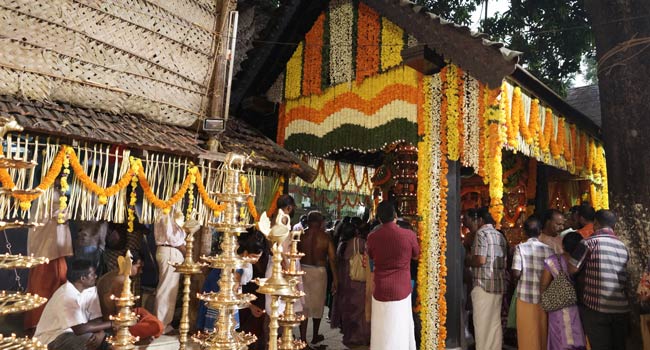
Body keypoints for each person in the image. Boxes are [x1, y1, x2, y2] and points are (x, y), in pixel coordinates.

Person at [569, 210, 630, 350]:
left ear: (595, 224)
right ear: (613, 226)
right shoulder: (623, 246)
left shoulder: (589, 243)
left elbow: (572, 269)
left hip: (596, 307)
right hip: (621, 308)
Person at [366, 201, 419, 350]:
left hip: (381, 289)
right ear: (396, 215)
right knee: (400, 327)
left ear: (379, 218)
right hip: (402, 288)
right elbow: (416, 255)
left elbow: (371, 255)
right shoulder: (409, 235)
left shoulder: (372, 237)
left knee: (381, 329)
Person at [24, 189, 73, 332]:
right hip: (48, 250)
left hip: (50, 249)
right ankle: (40, 322)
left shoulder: (47, 192)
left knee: (53, 284)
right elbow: (61, 216)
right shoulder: (49, 193)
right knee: (44, 287)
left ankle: (49, 321)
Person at [34, 260, 112, 350]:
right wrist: (112, 323)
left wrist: (100, 334)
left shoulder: (91, 289)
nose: (96, 276)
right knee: (88, 341)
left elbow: (97, 319)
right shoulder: (65, 295)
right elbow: (79, 329)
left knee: (108, 340)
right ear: (83, 278)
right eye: (92, 274)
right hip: (53, 338)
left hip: (79, 332)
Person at [196, 229, 265, 331]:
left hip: (223, 296)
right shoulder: (236, 266)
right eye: (254, 257)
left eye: (259, 257)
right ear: (245, 253)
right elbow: (234, 292)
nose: (256, 260)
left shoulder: (240, 262)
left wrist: (250, 307)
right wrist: (250, 306)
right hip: (219, 297)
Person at [96, 250, 163, 344]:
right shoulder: (122, 281)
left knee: (141, 311)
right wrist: (136, 321)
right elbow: (121, 315)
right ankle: (136, 339)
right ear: (129, 264)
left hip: (107, 320)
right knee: (157, 326)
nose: (141, 271)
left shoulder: (107, 276)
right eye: (139, 267)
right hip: (116, 327)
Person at [465, 207, 506, 350]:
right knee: (494, 324)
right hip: (498, 285)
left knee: (482, 324)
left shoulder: (481, 234)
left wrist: (467, 260)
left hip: (483, 284)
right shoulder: (499, 235)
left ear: (480, 220)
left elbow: (480, 260)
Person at [511, 216, 555, 350]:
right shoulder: (549, 250)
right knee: (542, 330)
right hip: (544, 296)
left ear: (524, 232)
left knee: (526, 331)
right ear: (540, 231)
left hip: (525, 296)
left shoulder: (520, 248)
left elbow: (516, 272)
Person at [541, 231, 587, 350]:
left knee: (559, 340)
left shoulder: (552, 260)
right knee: (579, 339)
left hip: (558, 306)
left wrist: (548, 298)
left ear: (563, 246)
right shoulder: (583, 262)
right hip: (579, 306)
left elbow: (544, 284)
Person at [298, 211, 338, 347]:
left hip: (302, 270)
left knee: (303, 306)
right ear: (320, 222)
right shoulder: (325, 237)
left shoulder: (301, 235)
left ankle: (303, 339)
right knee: (318, 305)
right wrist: (336, 279)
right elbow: (332, 259)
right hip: (319, 273)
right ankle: (315, 335)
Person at [330, 222, 370, 347]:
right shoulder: (359, 242)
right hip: (356, 282)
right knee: (359, 311)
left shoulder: (341, 244)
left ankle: (348, 336)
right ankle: (358, 337)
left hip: (344, 281)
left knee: (347, 310)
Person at [153, 209, 187, 334]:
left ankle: (163, 324)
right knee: (166, 289)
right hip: (171, 250)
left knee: (168, 289)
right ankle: (160, 325)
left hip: (170, 251)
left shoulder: (170, 209)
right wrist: (185, 251)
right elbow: (172, 237)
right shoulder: (167, 209)